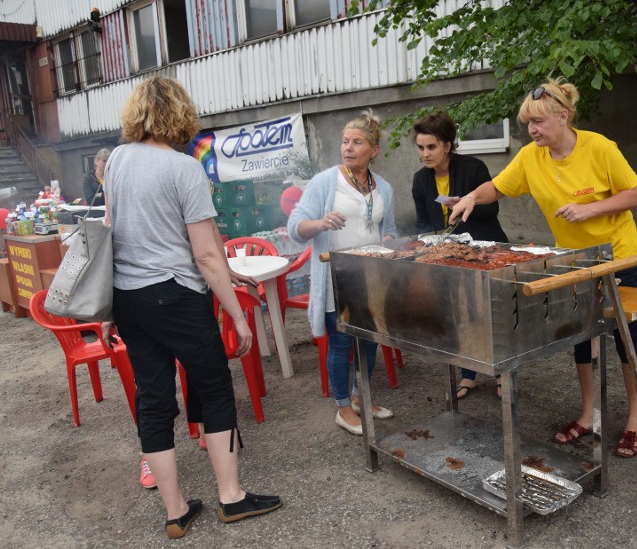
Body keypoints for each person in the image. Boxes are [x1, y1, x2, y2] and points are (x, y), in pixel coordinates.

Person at [104, 76, 281, 539]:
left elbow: (110, 232)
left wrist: (107, 308)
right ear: (180, 114)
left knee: (154, 398)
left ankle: (176, 510)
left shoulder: (118, 160)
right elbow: (202, 254)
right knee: (216, 388)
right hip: (176, 295)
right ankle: (231, 497)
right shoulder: (184, 170)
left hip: (129, 297)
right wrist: (240, 316)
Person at [449, 77, 637, 459]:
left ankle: (635, 419)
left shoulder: (599, 148)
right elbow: (499, 187)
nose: (531, 129)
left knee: (628, 339)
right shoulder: (530, 157)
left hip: (617, 256)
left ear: (563, 116)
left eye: (538, 122)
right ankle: (588, 413)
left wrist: (591, 208)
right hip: (572, 262)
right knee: (580, 336)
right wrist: (473, 196)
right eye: (527, 122)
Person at [288, 110, 398, 436]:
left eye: (357, 142)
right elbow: (296, 227)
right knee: (341, 344)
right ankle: (342, 407)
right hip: (336, 277)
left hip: (372, 278)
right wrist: (321, 223)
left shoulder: (385, 189)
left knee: (370, 342)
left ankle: (361, 397)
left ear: (374, 150)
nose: (348, 147)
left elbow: (388, 229)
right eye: (345, 141)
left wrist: (389, 240)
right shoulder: (326, 181)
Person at [411, 111, 508, 399]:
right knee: (460, 315)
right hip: (449, 257)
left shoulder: (473, 167)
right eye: (420, 148)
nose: (425, 154)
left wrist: (467, 202)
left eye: (431, 147)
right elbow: (422, 224)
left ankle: (504, 374)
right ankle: (468, 375)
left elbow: (492, 209)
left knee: (493, 314)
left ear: (447, 145)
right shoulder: (420, 180)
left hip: (486, 251)